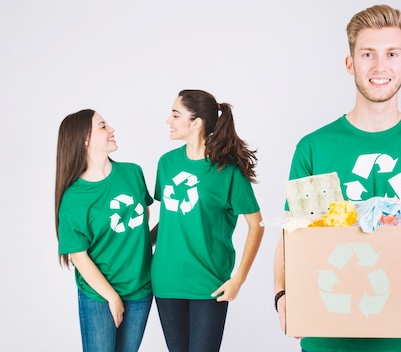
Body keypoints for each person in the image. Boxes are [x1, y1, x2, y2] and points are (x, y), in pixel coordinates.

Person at [273, 4, 401, 352]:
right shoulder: (315, 148)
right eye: (368, 54)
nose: (380, 67)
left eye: (391, 54)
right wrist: (282, 294)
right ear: (350, 63)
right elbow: (294, 234)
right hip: (328, 334)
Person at [151, 89, 265, 352]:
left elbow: (256, 225)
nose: (168, 120)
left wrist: (238, 279)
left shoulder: (227, 170)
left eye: (175, 114)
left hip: (208, 284)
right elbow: (170, 219)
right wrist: (136, 243)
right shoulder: (166, 163)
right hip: (166, 281)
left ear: (196, 122)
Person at [54, 109, 154, 352]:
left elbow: (141, 232)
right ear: (84, 139)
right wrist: (112, 297)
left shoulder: (132, 173)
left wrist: (179, 225)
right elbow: (78, 256)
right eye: (102, 126)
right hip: (99, 296)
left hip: (140, 290)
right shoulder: (74, 197)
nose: (111, 129)